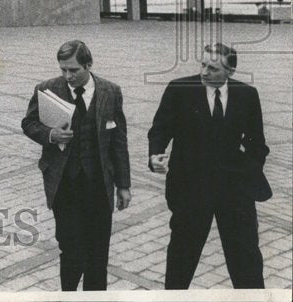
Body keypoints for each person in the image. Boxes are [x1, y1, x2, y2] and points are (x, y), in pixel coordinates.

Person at [148, 42, 271, 289]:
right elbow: (159, 130)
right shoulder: (179, 89)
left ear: (230, 72)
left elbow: (257, 143)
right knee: (181, 262)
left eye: (213, 68)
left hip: (235, 193)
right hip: (190, 190)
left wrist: (247, 172)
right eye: (203, 65)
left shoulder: (247, 95)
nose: (204, 72)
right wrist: (155, 156)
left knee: (246, 264)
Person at [21, 40, 131, 291]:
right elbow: (28, 124)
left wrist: (123, 185)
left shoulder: (110, 91)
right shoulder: (47, 89)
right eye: (63, 70)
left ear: (89, 65)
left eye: (73, 70)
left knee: (98, 255)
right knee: (72, 251)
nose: (67, 76)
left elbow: (119, 141)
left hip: (99, 185)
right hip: (65, 185)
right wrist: (50, 135)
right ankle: (68, 295)